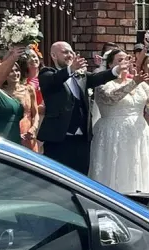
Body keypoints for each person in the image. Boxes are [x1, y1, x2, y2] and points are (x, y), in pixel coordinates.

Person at [88, 49, 149, 194]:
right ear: (110, 64)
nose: (125, 63)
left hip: (138, 132)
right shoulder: (103, 83)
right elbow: (111, 98)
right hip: (113, 133)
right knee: (117, 168)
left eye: (127, 59)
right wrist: (134, 83)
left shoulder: (138, 83)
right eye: (120, 60)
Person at [37, 41, 120, 174]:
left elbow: (96, 78)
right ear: (53, 55)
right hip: (59, 140)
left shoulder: (80, 75)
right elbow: (55, 80)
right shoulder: (47, 73)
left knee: (81, 177)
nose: (69, 55)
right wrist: (70, 70)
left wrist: (116, 70)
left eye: (71, 52)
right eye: (65, 52)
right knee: (57, 178)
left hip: (81, 139)